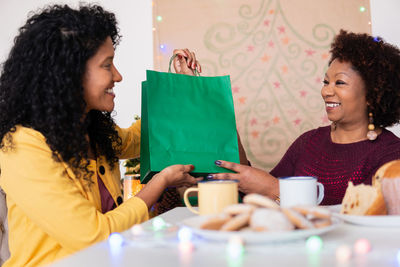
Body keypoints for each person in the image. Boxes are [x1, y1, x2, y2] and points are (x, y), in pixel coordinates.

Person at [0, 4, 201, 266]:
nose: (118, 75)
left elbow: (140, 139)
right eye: (107, 65)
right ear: (68, 74)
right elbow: (95, 236)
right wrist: (159, 183)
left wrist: (179, 86)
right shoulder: (22, 146)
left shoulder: (88, 128)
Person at [209, 30, 400, 205]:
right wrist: (222, 118)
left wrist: (275, 190)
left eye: (339, 82)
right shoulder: (309, 142)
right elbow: (258, 193)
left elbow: (366, 216)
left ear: (373, 93)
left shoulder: (391, 155)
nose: (326, 91)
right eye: (326, 82)